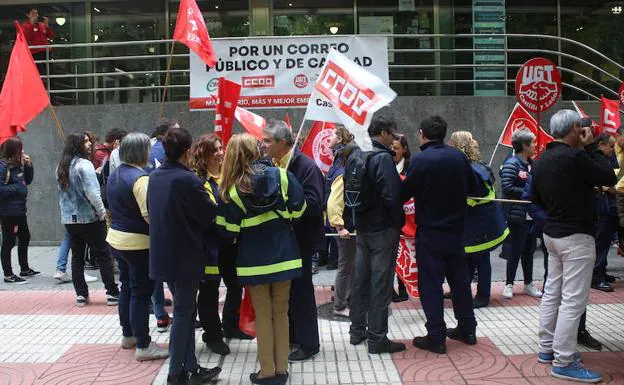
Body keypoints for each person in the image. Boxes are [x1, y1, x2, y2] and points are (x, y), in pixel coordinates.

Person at [531, 109, 616, 383]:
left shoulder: (541, 159)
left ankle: (547, 348)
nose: (584, 133)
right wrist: (590, 145)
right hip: (576, 236)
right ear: (573, 131)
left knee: (552, 292)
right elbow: (608, 176)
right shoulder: (576, 156)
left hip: (552, 234)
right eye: (581, 129)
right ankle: (564, 360)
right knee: (573, 299)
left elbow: (534, 198)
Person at [218, 133, 306, 385]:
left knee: (264, 315)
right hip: (286, 256)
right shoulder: (282, 175)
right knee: (281, 313)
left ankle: (266, 371)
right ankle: (282, 368)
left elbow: (228, 231)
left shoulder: (233, 189)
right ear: (258, 150)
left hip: (253, 261)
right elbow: (299, 211)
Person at [147, 127, 221, 385]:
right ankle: (176, 374)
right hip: (185, 258)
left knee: (186, 314)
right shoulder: (187, 180)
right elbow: (209, 214)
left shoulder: (155, 176)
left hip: (164, 256)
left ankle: (190, 367)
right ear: (187, 151)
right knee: (182, 315)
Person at [402, 115, 477, 354]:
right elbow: (474, 187)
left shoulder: (420, 160)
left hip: (430, 232)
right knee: (460, 282)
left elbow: (404, 194)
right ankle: (468, 329)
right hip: (456, 231)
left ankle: (436, 336)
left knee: (431, 284)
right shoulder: (458, 157)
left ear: (422, 134)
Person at [261, 119, 323, 362]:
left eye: (267, 141)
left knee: (302, 290)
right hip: (282, 240)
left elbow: (315, 204)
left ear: (283, 143)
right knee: (287, 292)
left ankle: (309, 343)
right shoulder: (270, 165)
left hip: (301, 240)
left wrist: (286, 202)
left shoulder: (306, 167)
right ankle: (293, 336)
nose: (262, 144)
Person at [106, 133, 169, 362]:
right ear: (142, 152)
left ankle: (128, 335)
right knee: (141, 293)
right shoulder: (141, 179)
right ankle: (144, 345)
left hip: (117, 239)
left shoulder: (115, 174)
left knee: (127, 288)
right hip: (139, 243)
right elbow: (150, 217)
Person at [524, 175, 603, 352]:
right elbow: (607, 175)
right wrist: (549, 223)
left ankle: (549, 347)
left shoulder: (543, 164)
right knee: (569, 297)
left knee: (556, 291)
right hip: (565, 234)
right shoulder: (571, 162)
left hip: (555, 232)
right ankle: (563, 356)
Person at [348, 115, 405, 354]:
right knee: (381, 285)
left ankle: (357, 331)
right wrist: (397, 223)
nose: (393, 139)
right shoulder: (381, 158)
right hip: (382, 228)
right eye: (392, 134)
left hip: (361, 227)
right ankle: (377, 338)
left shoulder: (355, 153)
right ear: (382, 132)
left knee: (360, 281)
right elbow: (392, 196)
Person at [193, 134, 254, 356]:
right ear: (203, 154)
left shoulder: (230, 175)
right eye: (215, 149)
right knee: (209, 290)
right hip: (209, 246)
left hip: (231, 243)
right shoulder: (198, 180)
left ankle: (231, 325)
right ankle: (212, 335)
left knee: (235, 284)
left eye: (221, 148)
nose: (220, 153)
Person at [56, 133, 119, 307]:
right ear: (77, 145)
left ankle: (81, 294)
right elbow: (93, 193)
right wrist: (102, 213)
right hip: (90, 218)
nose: (90, 143)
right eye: (85, 141)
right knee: (103, 255)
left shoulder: (61, 166)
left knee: (77, 257)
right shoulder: (85, 165)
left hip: (69, 219)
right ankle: (112, 292)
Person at [448, 131, 509, 309]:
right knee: (466, 258)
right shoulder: (471, 166)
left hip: (479, 225)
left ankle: (483, 295)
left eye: (452, 142)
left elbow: (475, 196)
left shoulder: (472, 170)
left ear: (459, 146)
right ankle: (461, 290)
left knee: (481, 260)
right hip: (472, 223)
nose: (448, 144)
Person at [500, 129, 542, 300]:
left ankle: (528, 284)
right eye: (532, 142)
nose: (535, 145)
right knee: (514, 250)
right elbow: (507, 187)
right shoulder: (511, 163)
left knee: (529, 250)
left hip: (532, 215)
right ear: (524, 145)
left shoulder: (533, 164)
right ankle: (509, 284)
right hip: (516, 215)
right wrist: (529, 193)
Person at [147, 118, 179, 332]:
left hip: (151, 217)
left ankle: (160, 314)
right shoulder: (170, 154)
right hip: (170, 218)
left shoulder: (146, 152)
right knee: (173, 271)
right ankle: (183, 311)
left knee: (156, 270)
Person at [326, 125, 357, 318]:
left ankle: (346, 298)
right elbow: (333, 201)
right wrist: (340, 226)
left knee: (348, 264)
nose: (329, 137)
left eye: (332, 134)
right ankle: (339, 305)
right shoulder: (343, 169)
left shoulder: (338, 164)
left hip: (344, 224)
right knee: (346, 265)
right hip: (345, 226)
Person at [0, 138, 37, 284]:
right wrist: (17, 187)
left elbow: (27, 180)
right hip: (8, 212)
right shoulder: (3, 167)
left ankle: (25, 268)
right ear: (12, 151)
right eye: (20, 149)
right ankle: (8, 274)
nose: (22, 152)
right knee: (8, 242)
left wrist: (29, 166)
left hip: (20, 210)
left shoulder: (18, 165)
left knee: (25, 237)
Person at [591, 133, 618, 292]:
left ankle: (602, 271)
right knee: (600, 243)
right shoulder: (595, 160)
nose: (612, 150)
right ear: (601, 144)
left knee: (605, 242)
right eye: (610, 146)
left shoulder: (608, 159)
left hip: (609, 207)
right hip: (601, 208)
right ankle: (597, 277)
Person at [391, 135, 411, 303]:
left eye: (396, 148)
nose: (393, 151)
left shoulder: (410, 168)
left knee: (405, 255)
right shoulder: (386, 165)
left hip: (408, 220)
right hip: (392, 219)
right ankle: (390, 289)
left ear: (404, 149)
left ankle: (404, 287)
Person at [22, 7, 53, 76]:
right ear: (28, 15)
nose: (35, 15)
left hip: (46, 51)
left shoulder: (41, 25)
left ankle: (51, 85)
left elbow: (50, 35)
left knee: (50, 71)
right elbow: (27, 37)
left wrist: (47, 25)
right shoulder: (25, 26)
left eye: (36, 13)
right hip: (35, 52)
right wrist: (31, 24)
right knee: (39, 72)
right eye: (33, 13)